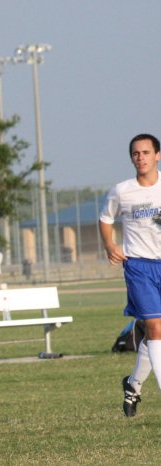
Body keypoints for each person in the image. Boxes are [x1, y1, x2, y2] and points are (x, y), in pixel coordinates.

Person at [100, 133, 161, 418]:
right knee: (155, 327)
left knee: (156, 333)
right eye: (136, 153)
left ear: (157, 155)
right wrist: (110, 245)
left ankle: (133, 384)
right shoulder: (122, 191)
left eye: (146, 152)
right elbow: (105, 218)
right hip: (138, 266)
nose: (141, 157)